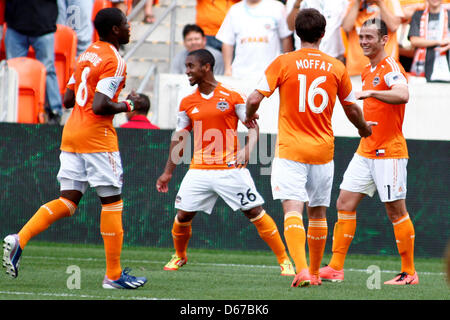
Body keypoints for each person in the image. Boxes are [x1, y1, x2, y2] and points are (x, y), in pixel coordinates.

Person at [2, 7, 147, 289]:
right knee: (112, 201)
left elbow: (68, 99)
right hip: (97, 137)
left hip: (72, 135)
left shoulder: (88, 53)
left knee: (68, 201)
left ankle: (20, 238)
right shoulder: (114, 60)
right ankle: (114, 276)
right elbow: (101, 105)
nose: (130, 28)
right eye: (126, 24)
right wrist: (129, 105)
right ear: (115, 30)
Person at [245, 8, 374, 287]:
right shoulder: (336, 67)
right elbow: (351, 108)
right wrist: (363, 128)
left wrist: (248, 114)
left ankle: (302, 270)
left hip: (291, 149)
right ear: (323, 34)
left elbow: (255, 97)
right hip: (322, 150)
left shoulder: (283, 62)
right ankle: (315, 272)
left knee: (293, 209)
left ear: (296, 32)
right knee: (318, 211)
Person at [156, 49, 296, 277]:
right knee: (183, 215)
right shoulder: (187, 103)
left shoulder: (232, 97)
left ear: (206, 67)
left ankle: (285, 260)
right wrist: (167, 173)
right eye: (187, 66)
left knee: (255, 212)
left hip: (230, 169)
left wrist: (247, 149)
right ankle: (180, 255)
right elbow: (179, 138)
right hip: (199, 170)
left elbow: (253, 127)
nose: (187, 71)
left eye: (191, 66)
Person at [319, 18, 418, 286]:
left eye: (369, 37)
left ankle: (409, 273)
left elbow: (403, 94)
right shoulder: (366, 69)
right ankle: (336, 268)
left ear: (384, 40)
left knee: (396, 211)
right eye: (361, 36)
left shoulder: (390, 67)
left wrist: (372, 92)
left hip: (390, 152)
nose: (363, 41)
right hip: (366, 150)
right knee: (343, 203)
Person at [4, 0, 63, 124]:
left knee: (48, 69)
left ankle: (55, 111)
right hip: (15, 24)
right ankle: (8, 112)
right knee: (12, 73)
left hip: (43, 24)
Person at [216, 0, 293, 79]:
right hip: (240, 74)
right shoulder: (235, 10)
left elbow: (286, 38)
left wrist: (287, 66)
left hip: (272, 74)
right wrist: (227, 69)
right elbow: (227, 42)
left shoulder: (277, 7)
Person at [342, 0, 404, 76]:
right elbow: (346, 27)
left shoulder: (391, 1)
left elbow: (394, 26)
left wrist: (380, 3)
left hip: (385, 69)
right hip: (356, 69)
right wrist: (357, 3)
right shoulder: (353, 2)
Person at [408, 0, 450, 82]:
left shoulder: (449, 14)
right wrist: (439, 42)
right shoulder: (418, 15)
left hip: (447, 65)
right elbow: (414, 41)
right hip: (424, 68)